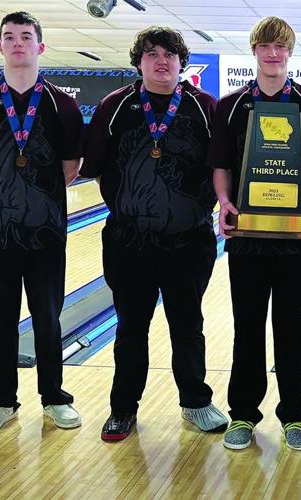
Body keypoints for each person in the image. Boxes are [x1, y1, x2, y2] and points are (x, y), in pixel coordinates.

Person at [80, 26, 226, 442]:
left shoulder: (204, 107)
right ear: (138, 61)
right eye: (151, 53)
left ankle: (195, 402)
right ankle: (122, 409)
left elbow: (222, 167)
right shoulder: (116, 105)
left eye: (169, 54)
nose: (161, 60)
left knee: (187, 325)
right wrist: (133, 206)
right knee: (130, 327)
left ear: (181, 62)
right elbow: (96, 167)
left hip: (188, 240)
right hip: (129, 241)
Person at [208, 16, 301, 452]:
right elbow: (221, 167)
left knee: (291, 326)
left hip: (294, 239)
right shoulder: (231, 106)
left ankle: (295, 415)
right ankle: (242, 413)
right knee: (248, 326)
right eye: (265, 46)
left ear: (289, 53)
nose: (273, 54)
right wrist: (224, 202)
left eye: (281, 47)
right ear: (255, 51)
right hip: (247, 237)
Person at [0, 11, 83, 435]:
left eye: (26, 36)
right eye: (8, 36)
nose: (17, 43)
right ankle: (0, 401)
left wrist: (34, 200)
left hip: (47, 232)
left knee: (48, 317)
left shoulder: (61, 104)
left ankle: (54, 398)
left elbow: (71, 166)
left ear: (40, 47)